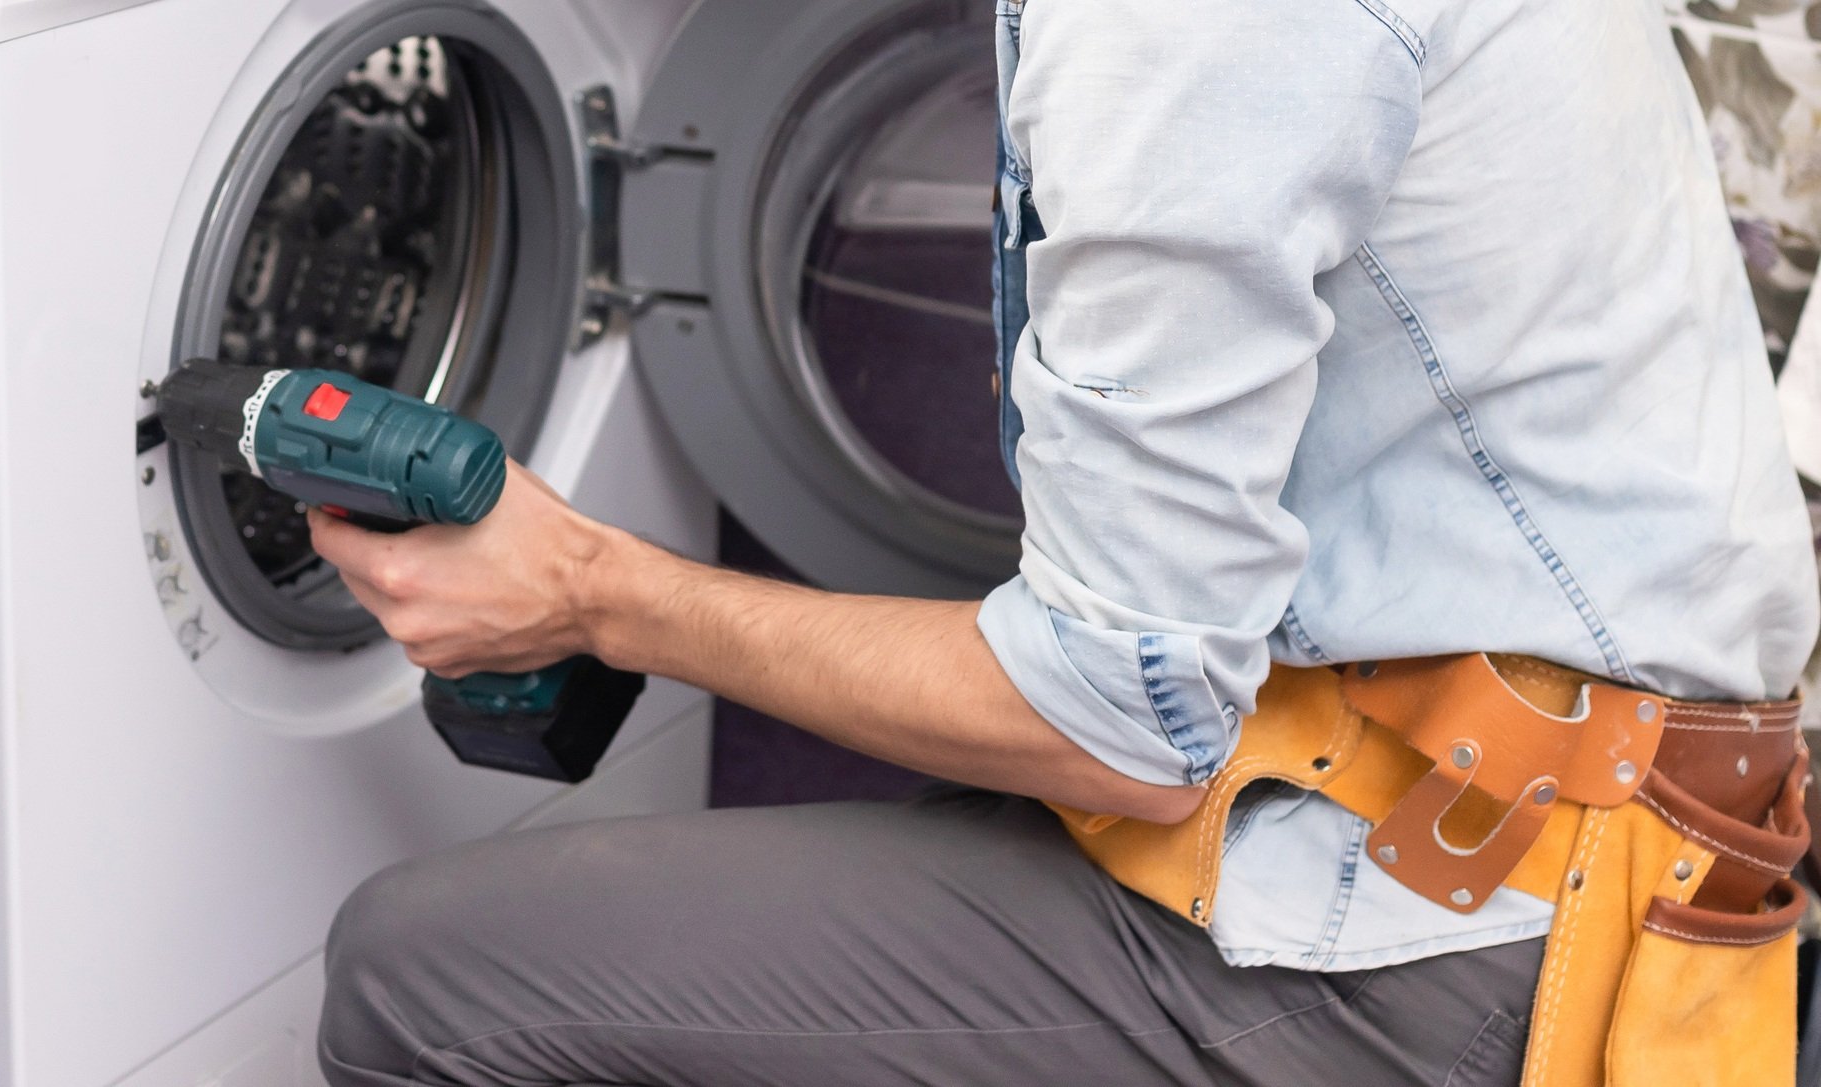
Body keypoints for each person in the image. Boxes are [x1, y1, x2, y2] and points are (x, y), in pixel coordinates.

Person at [308, 1, 1820, 1084]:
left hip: (1452, 951)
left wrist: (590, 591)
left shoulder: (1193, 31)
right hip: (1538, 825)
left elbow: (1121, 720)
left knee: (422, 974)